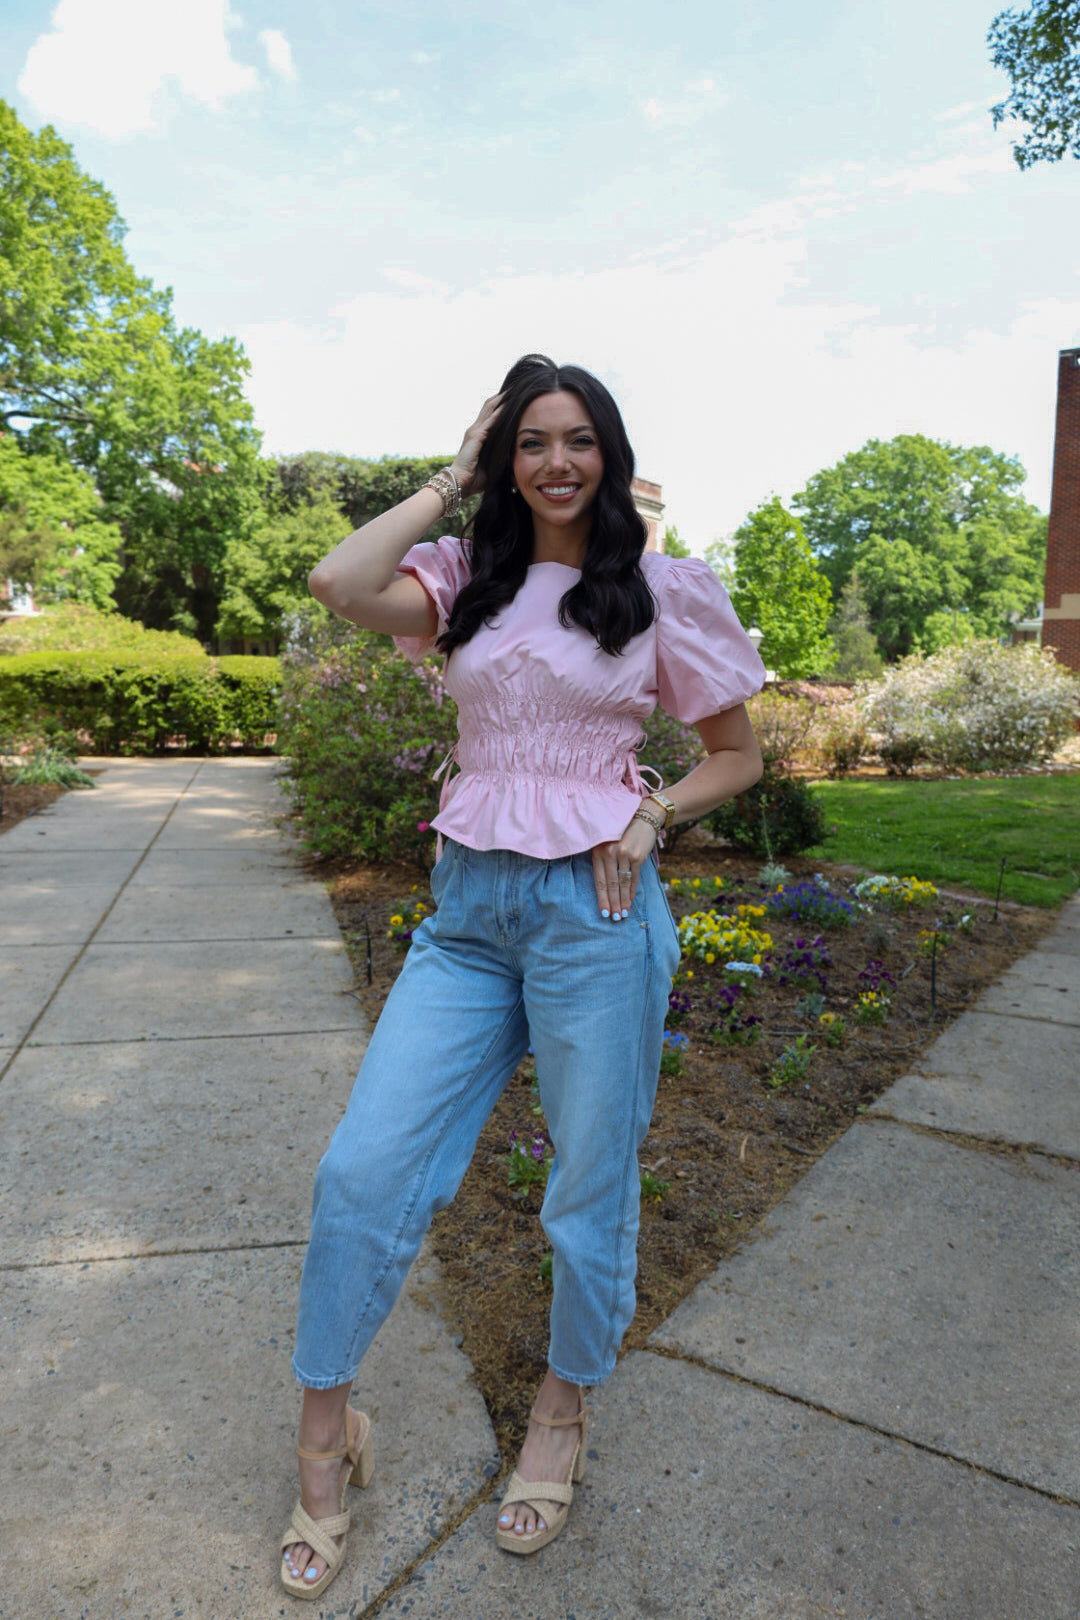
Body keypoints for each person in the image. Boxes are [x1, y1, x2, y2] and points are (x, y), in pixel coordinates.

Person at [279, 354, 765, 1599]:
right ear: (507, 458)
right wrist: (450, 474)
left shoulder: (661, 592)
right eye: (530, 442)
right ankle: (327, 1445)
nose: (557, 461)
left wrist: (651, 814)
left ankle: (561, 1411)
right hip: (467, 912)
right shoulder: (462, 579)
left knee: (587, 1183)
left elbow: (735, 756)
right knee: (364, 1169)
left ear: (609, 452)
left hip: (594, 916)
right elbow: (338, 580)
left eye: (578, 439)